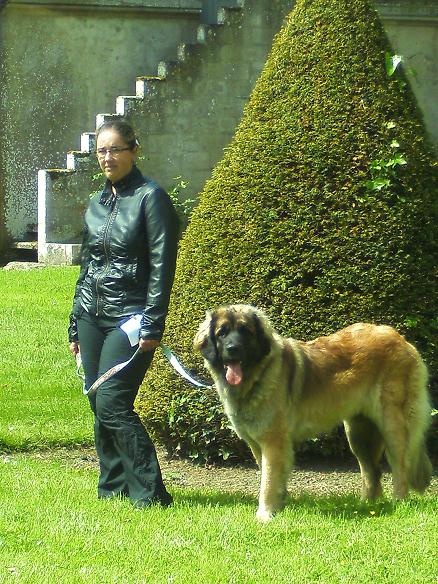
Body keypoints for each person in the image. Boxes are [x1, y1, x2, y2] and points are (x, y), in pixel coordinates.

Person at [68, 117, 179, 508]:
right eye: (101, 151)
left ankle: (150, 493)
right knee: (97, 402)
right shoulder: (96, 204)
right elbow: (88, 265)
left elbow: (162, 266)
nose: (107, 158)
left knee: (113, 402)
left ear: (134, 150)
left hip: (129, 319)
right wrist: (74, 324)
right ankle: (113, 487)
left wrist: (153, 323)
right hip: (90, 315)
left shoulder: (151, 198)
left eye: (115, 149)